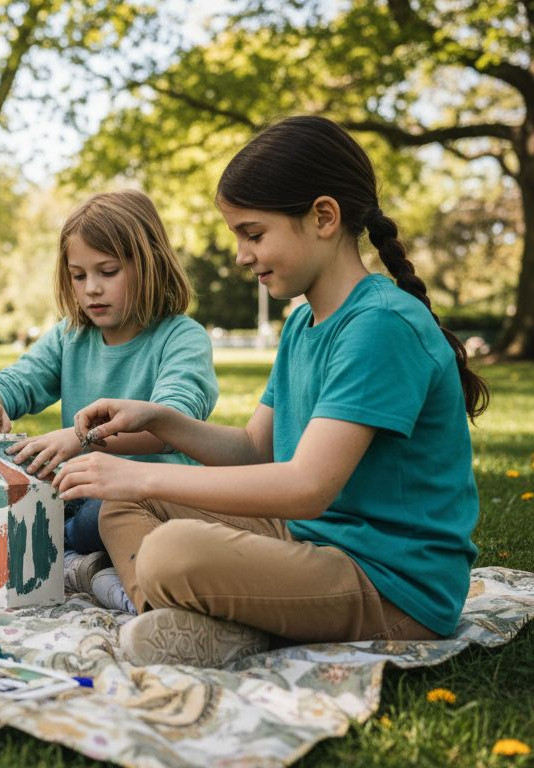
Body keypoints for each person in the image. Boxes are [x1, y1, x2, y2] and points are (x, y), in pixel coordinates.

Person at [55, 116, 490, 667]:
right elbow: (255, 449)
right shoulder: (303, 324)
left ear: (323, 217)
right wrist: (160, 421)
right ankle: (192, 622)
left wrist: (142, 468)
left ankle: (214, 618)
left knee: (170, 550)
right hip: (310, 543)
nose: (240, 255)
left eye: (253, 233)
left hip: (390, 585)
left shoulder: (381, 325)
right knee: (125, 503)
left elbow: (307, 485)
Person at [0, 190, 217, 604]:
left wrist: (79, 441)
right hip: (65, 489)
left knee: (104, 514)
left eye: (108, 271)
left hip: (130, 495)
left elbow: (171, 426)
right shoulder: (71, 335)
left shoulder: (182, 337)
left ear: (149, 263)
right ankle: (56, 547)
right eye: (79, 276)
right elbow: (16, 381)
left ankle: (38, 542)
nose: (92, 289)